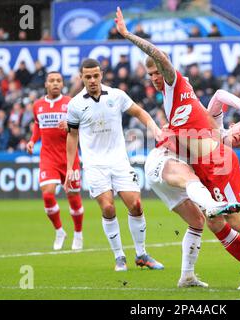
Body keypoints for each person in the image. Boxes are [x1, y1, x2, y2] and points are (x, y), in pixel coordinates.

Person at [115, 7, 240, 290]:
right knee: (212, 222)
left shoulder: (178, 85)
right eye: (150, 74)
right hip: (196, 164)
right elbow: (220, 97)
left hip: (212, 165)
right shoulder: (208, 117)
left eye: (157, 72)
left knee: (235, 219)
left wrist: (128, 35)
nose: (155, 77)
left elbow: (161, 58)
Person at [64, 58, 164, 271]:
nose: (92, 80)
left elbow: (139, 112)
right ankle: (119, 256)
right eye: (87, 77)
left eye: (96, 76)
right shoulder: (75, 104)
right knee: (108, 207)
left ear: (102, 75)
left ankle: (141, 254)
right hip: (94, 165)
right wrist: (71, 167)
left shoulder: (117, 95)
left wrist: (154, 128)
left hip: (119, 161)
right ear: (81, 77)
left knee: (136, 205)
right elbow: (72, 137)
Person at [26, 72, 84, 251]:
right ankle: (59, 231)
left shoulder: (70, 103)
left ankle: (78, 234)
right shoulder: (38, 105)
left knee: (73, 196)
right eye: (52, 81)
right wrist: (32, 141)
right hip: (48, 158)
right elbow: (38, 125)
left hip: (69, 157)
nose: (55, 83)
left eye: (58, 81)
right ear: (46, 84)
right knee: (48, 194)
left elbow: (80, 126)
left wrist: (69, 126)